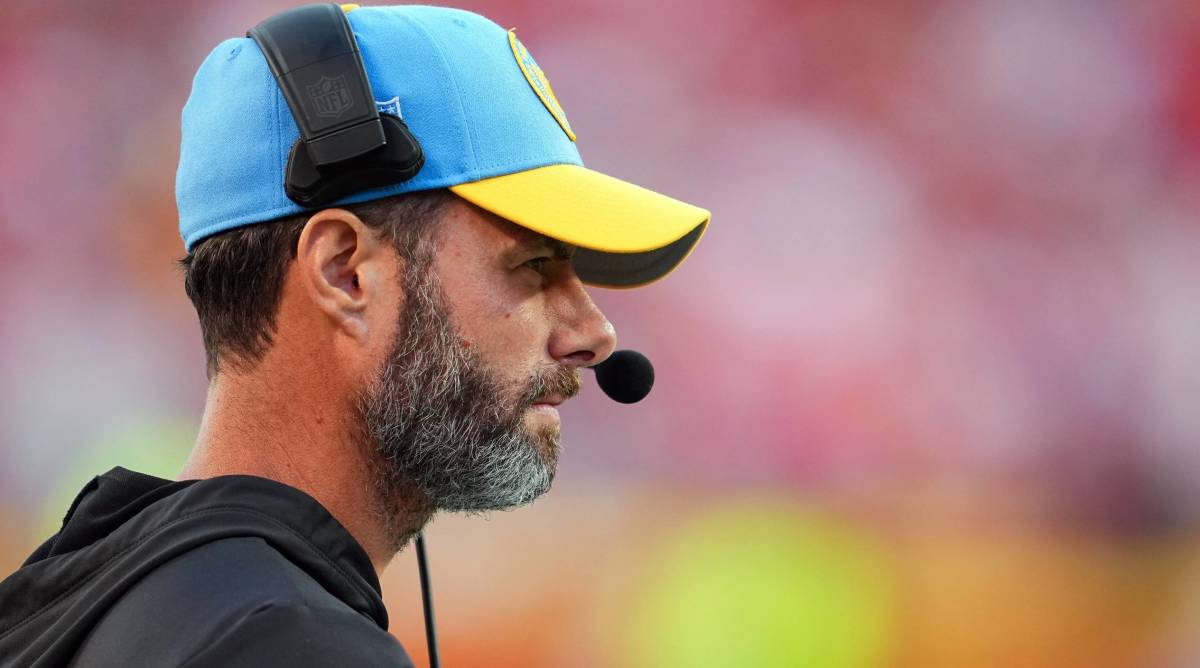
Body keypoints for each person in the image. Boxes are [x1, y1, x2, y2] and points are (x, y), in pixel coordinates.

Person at [0, 4, 708, 666]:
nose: (595, 332)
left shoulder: (95, 597)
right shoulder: (284, 642)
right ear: (343, 273)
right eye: (532, 265)